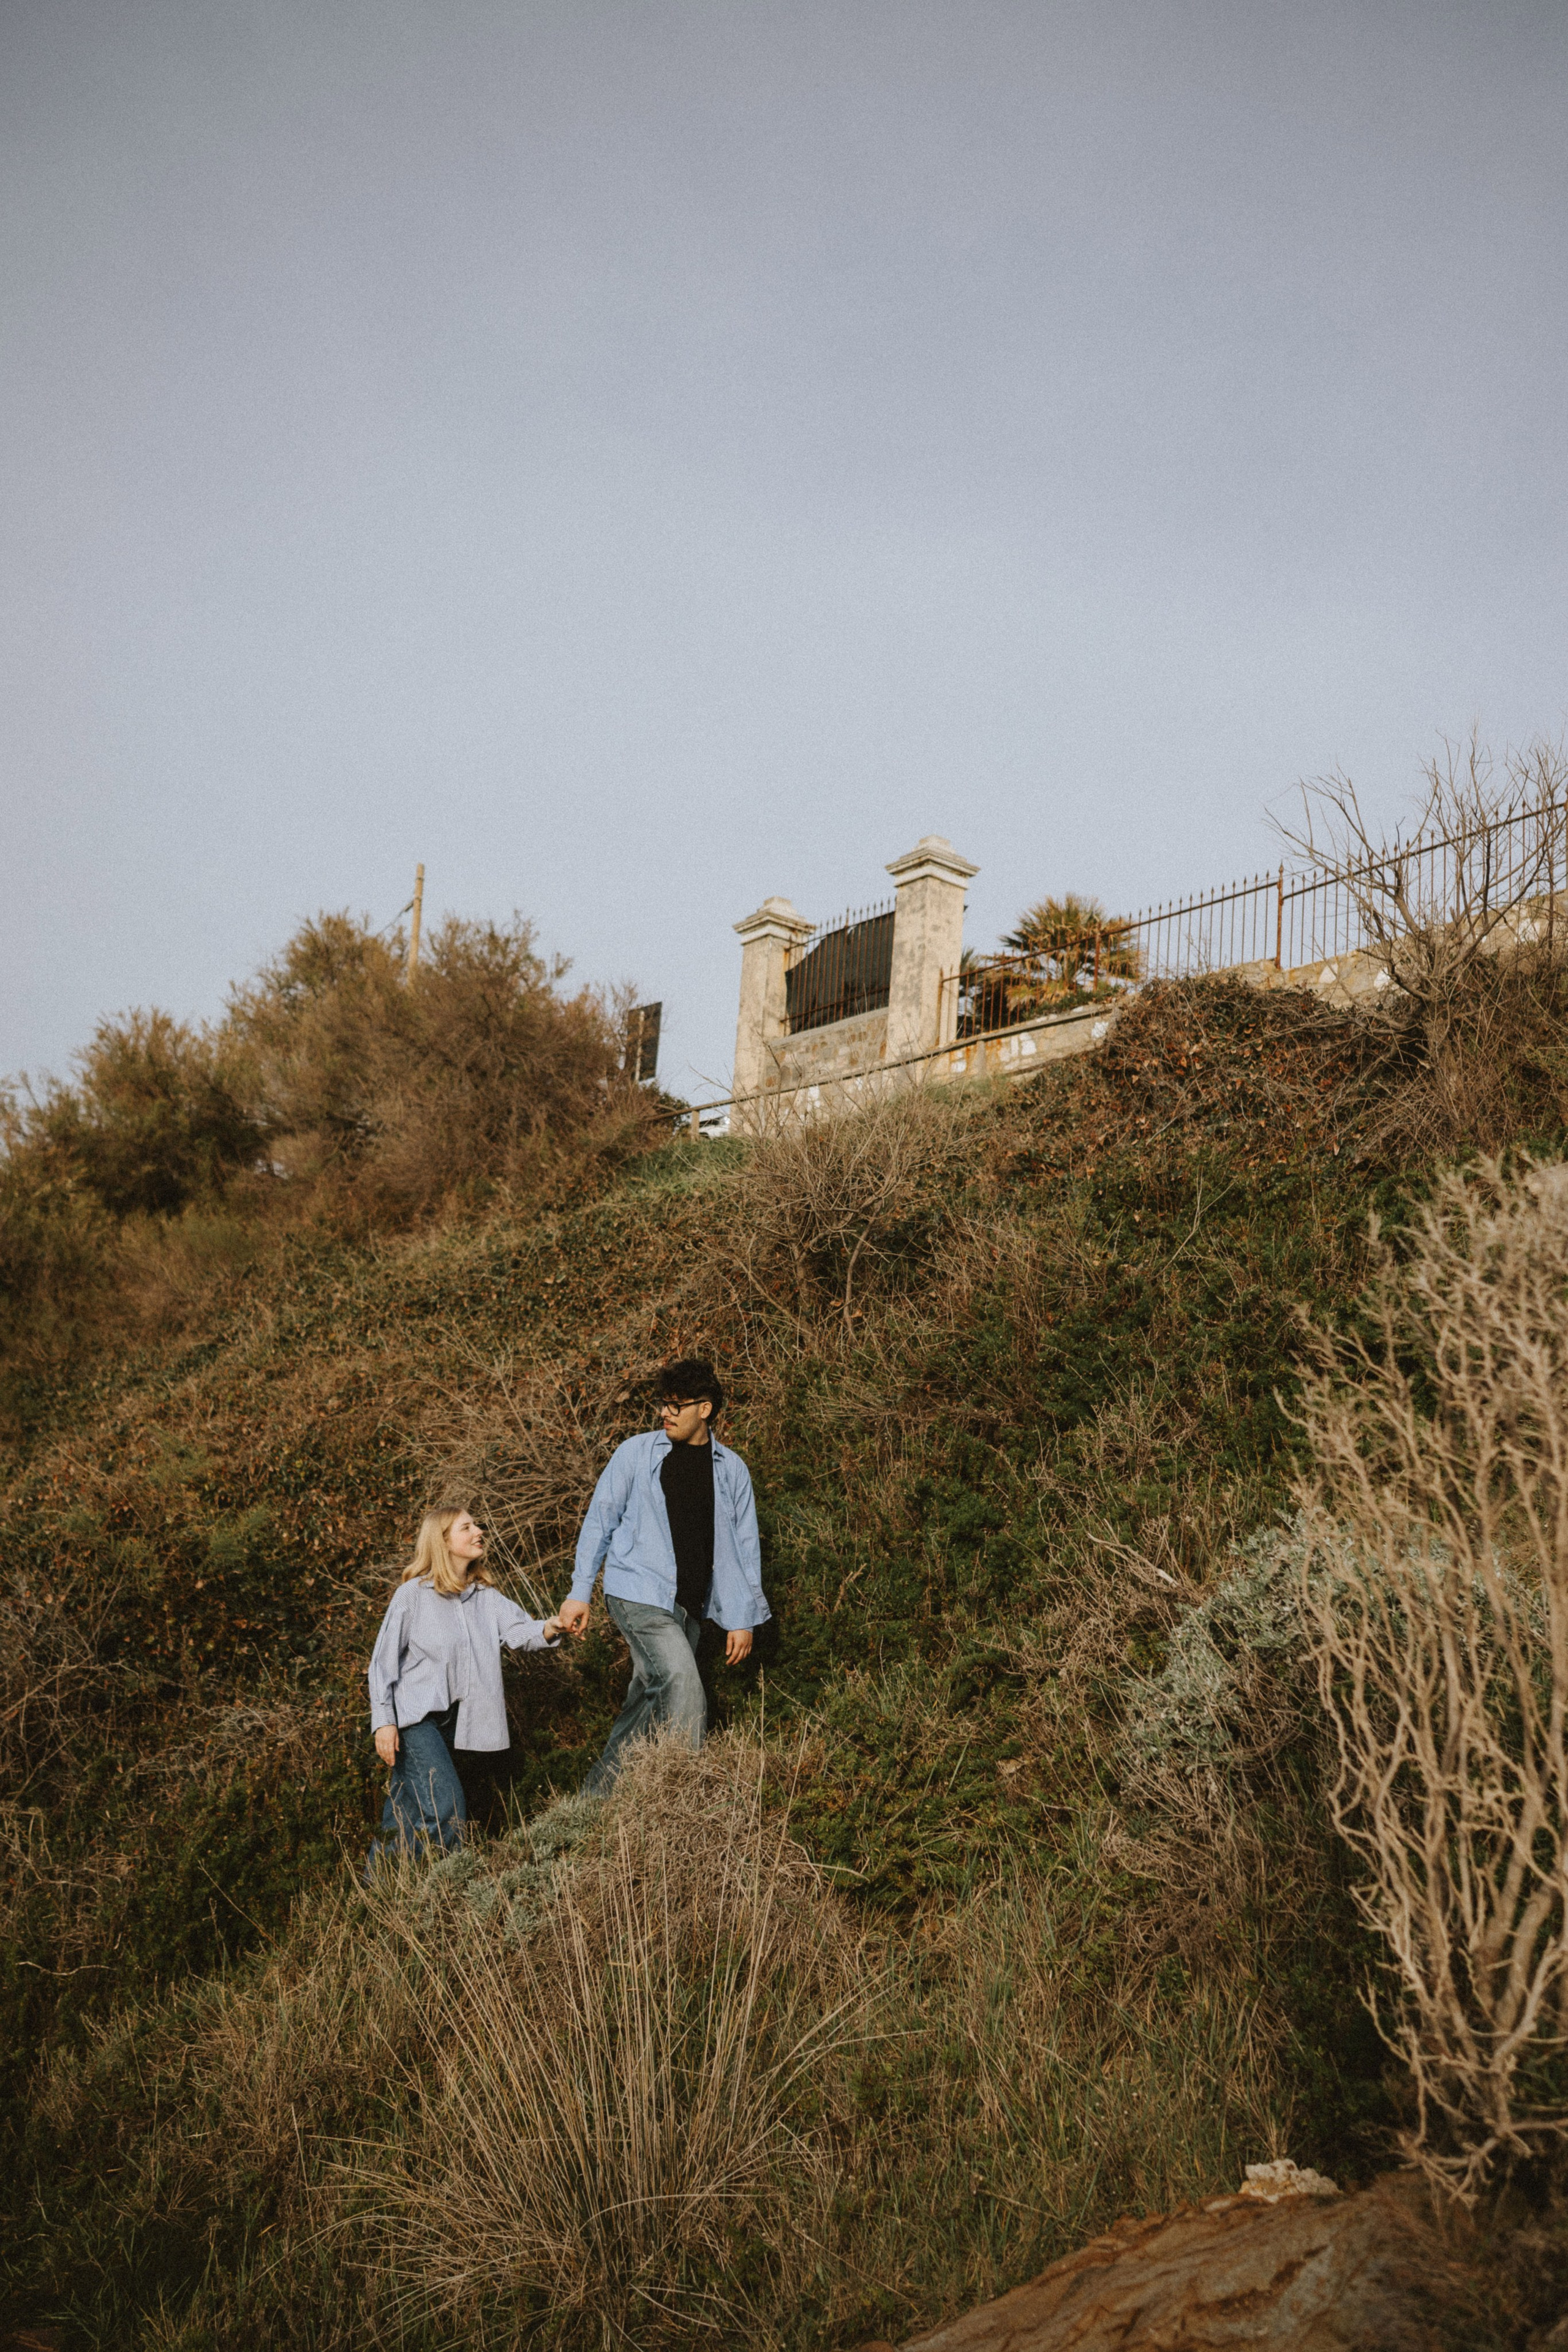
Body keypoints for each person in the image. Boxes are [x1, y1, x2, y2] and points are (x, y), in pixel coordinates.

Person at [558, 1359, 767, 1794]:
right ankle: (682, 1800)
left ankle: (594, 1802)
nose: (664, 1413)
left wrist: (742, 1618)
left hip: (688, 1605)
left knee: (651, 1698)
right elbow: (600, 1520)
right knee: (683, 1684)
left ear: (705, 1409)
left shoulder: (731, 1470)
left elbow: (744, 1550)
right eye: (662, 1404)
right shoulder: (637, 1453)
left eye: (675, 1405)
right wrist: (581, 1592)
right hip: (637, 1592)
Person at [366, 1504, 562, 1874]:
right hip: (414, 1723)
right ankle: (444, 1891)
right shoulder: (412, 1595)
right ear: (442, 1542)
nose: (479, 1532)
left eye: (478, 1525)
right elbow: (382, 1663)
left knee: (402, 1819)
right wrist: (384, 1721)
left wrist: (553, 1627)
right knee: (447, 1806)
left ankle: (377, 1894)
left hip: (455, 1724)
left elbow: (521, 1632)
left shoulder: (484, 1597)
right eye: (467, 1527)